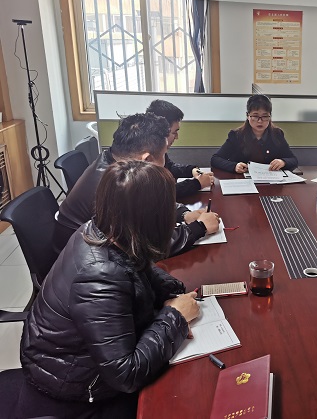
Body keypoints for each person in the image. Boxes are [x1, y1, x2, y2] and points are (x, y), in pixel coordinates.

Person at [18, 161, 201, 418]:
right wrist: (175, 317)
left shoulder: (105, 229)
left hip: (83, 361)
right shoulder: (100, 274)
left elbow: (136, 266)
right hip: (75, 386)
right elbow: (125, 375)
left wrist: (171, 292)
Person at [53, 113, 219, 255]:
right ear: (147, 159)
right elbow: (146, 246)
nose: (165, 162)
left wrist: (184, 214)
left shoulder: (114, 160)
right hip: (82, 262)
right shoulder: (116, 185)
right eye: (164, 154)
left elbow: (152, 200)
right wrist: (199, 228)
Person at [210, 94, 298, 173]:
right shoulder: (236, 135)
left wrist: (283, 162)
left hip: (271, 181)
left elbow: (293, 160)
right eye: (255, 116)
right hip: (243, 181)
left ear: (270, 116)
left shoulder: (277, 134)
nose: (260, 121)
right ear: (247, 116)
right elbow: (215, 159)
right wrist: (234, 166)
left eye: (265, 116)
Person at [146, 99, 215, 198]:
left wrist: (191, 170)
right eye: (174, 132)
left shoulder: (158, 148)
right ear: (160, 131)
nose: (177, 137)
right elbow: (160, 194)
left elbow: (170, 167)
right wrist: (197, 183)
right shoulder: (144, 155)